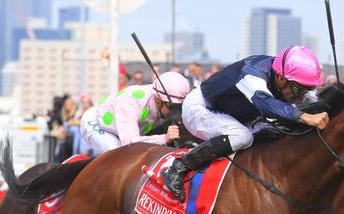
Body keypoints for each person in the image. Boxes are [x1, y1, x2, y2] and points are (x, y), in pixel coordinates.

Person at [161, 45, 329, 201]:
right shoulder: (252, 71)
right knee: (242, 136)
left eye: (306, 90)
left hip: (238, 116)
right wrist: (302, 116)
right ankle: (179, 167)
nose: (301, 96)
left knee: (277, 132)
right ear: (280, 78)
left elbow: (314, 101)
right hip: (201, 107)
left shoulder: (288, 81)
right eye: (298, 90)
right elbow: (263, 102)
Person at [79, 71, 191, 155]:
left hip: (126, 131)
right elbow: (129, 142)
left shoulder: (163, 101)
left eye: (180, 106)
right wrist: (164, 138)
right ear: (158, 99)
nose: (176, 111)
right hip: (97, 124)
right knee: (119, 154)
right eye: (172, 106)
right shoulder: (130, 101)